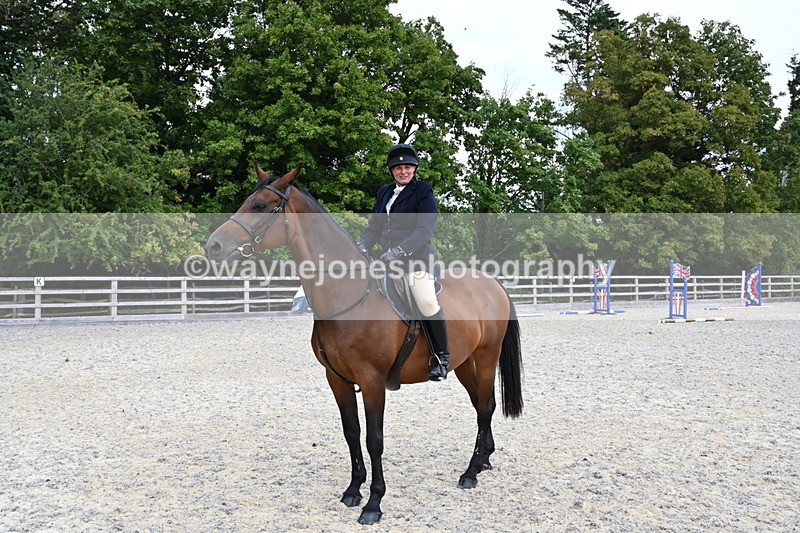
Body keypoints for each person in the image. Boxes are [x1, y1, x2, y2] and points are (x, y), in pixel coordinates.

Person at [358, 143, 450, 381]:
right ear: (392, 171)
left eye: (408, 167)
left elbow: (424, 230)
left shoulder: (423, 192)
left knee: (427, 301)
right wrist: (363, 245)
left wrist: (399, 251)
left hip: (416, 260)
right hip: (386, 261)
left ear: (414, 169)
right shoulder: (384, 193)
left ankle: (441, 357)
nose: (403, 171)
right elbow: (374, 227)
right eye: (399, 168)